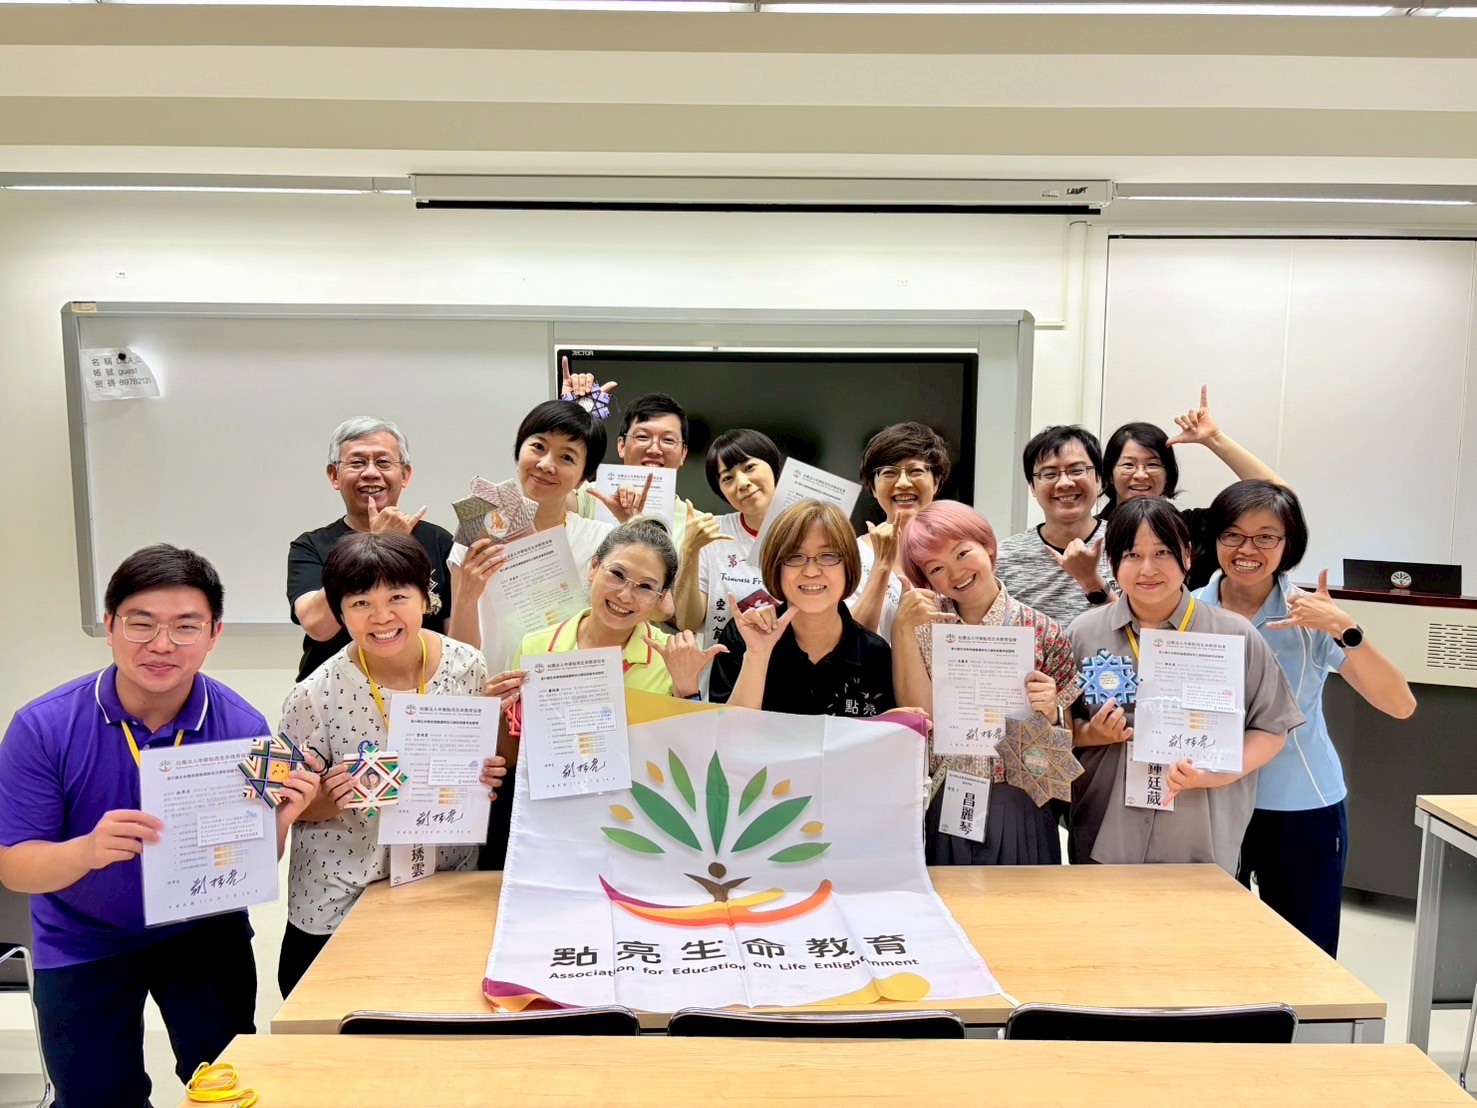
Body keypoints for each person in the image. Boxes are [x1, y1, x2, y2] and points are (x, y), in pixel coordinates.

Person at [0, 545, 319, 1108]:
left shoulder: (242, 728)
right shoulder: (43, 727)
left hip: (201, 930)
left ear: (214, 634)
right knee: (96, 1098)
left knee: (226, 1088)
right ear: (110, 627)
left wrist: (281, 820)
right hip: (82, 935)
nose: (162, 644)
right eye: (141, 624)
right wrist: (86, 851)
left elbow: (248, 867)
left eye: (186, 626)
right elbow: (15, 868)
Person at [277, 532, 505, 998]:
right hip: (343, 894)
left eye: (398, 597)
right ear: (340, 613)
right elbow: (288, 808)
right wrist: (328, 797)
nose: (381, 617)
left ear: (426, 598)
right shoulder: (313, 695)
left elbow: (477, 761)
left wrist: (485, 773)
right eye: (360, 603)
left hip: (445, 883)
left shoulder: (468, 666)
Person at [1194, 480, 1415, 955]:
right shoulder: (1188, 610)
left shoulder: (1311, 616)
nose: (1247, 550)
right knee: (1212, 949)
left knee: (1304, 954)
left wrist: (1344, 627)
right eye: (1233, 535)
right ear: (1215, 539)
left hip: (1300, 806)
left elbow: (1400, 704)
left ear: (1287, 544)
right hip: (1209, 804)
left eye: (1265, 537)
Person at [1066, 497, 1303, 872]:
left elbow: (1272, 729)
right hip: (1105, 828)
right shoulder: (1083, 633)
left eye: (1163, 552)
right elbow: (1060, 727)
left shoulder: (1234, 635)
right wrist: (1092, 733)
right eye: (1131, 555)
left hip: (1199, 833)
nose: (1148, 569)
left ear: (1188, 556)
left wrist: (1214, 774)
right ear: (1111, 562)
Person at [478, 519, 725, 869]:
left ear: (660, 598)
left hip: (634, 830)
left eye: (646, 587)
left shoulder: (669, 657)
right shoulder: (536, 647)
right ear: (594, 567)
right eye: (617, 574)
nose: (625, 595)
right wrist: (494, 712)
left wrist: (687, 689)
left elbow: (691, 767)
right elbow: (515, 755)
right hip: (549, 825)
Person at [892, 502, 1081, 865]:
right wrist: (902, 628)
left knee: (1023, 899)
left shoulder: (1042, 630)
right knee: (951, 898)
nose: (956, 573)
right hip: (949, 789)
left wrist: (1050, 713)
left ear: (988, 546)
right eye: (936, 568)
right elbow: (922, 719)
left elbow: (1065, 741)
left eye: (962, 553)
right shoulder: (924, 630)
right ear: (926, 580)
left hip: (1021, 795)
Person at [448, 399, 650, 663]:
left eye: (567, 457)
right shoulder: (477, 530)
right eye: (538, 447)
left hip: (567, 682)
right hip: (492, 683)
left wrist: (632, 525)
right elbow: (457, 656)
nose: (545, 464)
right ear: (519, 450)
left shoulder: (600, 540)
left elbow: (656, 607)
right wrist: (467, 595)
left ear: (582, 478)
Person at [287, 417, 456, 683]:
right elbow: (318, 627)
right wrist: (378, 540)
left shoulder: (438, 541)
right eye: (356, 462)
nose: (370, 472)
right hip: (333, 694)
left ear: (405, 475)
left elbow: (455, 642)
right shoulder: (310, 546)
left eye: (383, 462)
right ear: (334, 475)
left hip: (420, 693)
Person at [709, 500, 898, 718]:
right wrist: (757, 656)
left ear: (849, 566)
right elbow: (727, 733)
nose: (811, 571)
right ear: (776, 567)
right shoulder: (742, 637)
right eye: (794, 556)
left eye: (828, 555)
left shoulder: (875, 653)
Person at [1100, 387, 1284, 589]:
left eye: (1153, 464)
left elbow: (1279, 499)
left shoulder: (1193, 528)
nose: (1141, 474)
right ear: (1109, 474)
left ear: (1168, 474)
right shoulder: (1091, 533)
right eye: (1128, 465)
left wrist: (1214, 438)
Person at [672, 428, 785, 653]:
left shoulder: (808, 531)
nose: (742, 483)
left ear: (773, 467)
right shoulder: (713, 533)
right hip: (724, 671)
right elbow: (688, 623)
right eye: (727, 478)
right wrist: (690, 550)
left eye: (749, 467)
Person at [993, 425, 1116, 627]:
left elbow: (1139, 632)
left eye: (1077, 470)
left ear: (1098, 479)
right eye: (1050, 474)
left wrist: (1091, 580)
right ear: (1032, 486)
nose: (1065, 483)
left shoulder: (1130, 545)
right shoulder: (1003, 559)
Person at [848, 422, 952, 642]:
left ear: (936, 482)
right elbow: (848, 643)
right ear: (872, 487)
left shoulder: (957, 550)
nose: (903, 483)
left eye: (916, 471)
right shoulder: (851, 556)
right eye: (889, 472)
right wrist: (882, 565)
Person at [573, 391, 694, 549]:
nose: (654, 450)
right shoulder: (587, 494)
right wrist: (571, 414)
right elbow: (548, 504)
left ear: (683, 453)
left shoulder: (696, 523)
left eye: (668, 440)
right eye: (643, 437)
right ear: (621, 446)